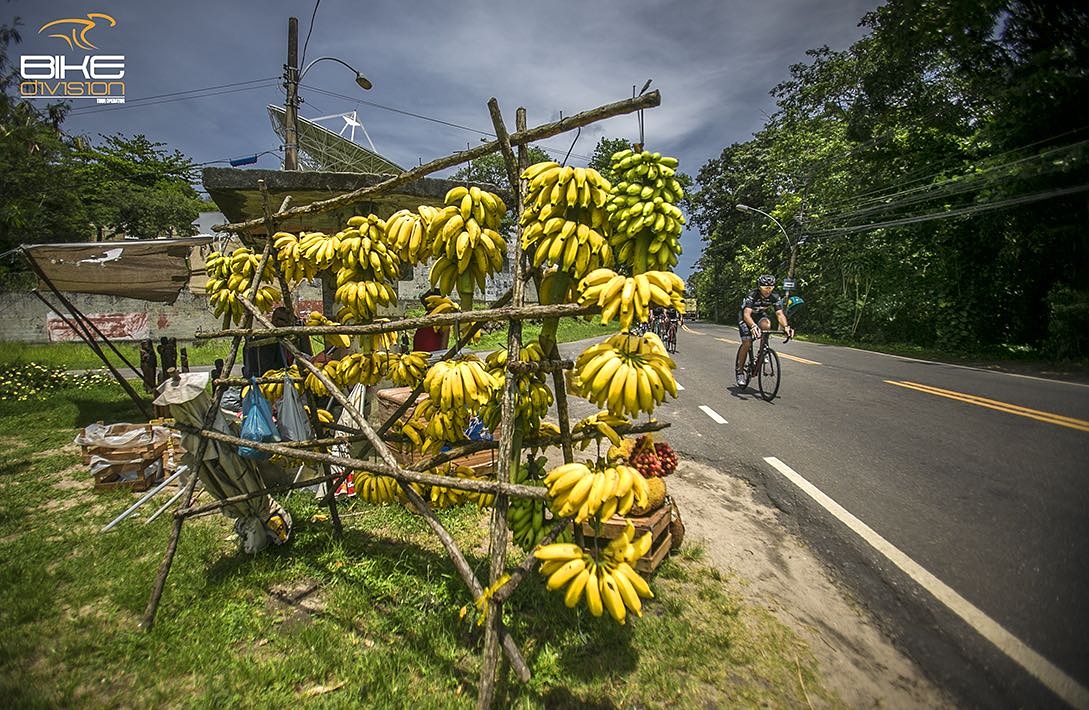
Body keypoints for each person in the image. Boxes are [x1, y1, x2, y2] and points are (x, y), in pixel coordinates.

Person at [735, 274, 794, 387]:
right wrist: (752, 326)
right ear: (759, 287)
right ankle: (740, 371)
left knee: (766, 326)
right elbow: (746, 314)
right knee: (746, 343)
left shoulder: (775, 297)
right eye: (764, 288)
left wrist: (786, 326)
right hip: (746, 318)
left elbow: (780, 314)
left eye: (770, 288)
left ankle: (762, 352)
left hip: (760, 315)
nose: (768, 290)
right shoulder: (752, 295)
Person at [412, 288, 450, 353]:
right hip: (419, 355)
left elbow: (444, 345)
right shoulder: (426, 317)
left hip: (432, 355)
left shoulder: (442, 319)